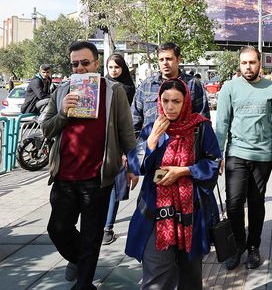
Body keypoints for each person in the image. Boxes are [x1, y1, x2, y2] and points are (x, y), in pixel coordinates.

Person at [41, 40, 138, 289]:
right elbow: (46, 128)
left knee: (91, 236)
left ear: (96, 62)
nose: (81, 68)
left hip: (97, 177)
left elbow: (126, 132)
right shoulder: (61, 90)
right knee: (57, 229)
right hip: (64, 177)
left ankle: (84, 283)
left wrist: (132, 166)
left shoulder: (114, 91)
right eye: (75, 64)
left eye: (85, 63)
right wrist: (63, 112)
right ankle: (80, 260)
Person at [125, 79, 221, 289]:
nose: (170, 107)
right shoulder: (153, 128)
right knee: (156, 278)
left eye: (176, 101)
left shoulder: (200, 127)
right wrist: (152, 140)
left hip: (191, 216)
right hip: (156, 216)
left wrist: (184, 171)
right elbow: (136, 166)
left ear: (185, 101)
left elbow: (214, 163)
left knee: (190, 277)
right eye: (165, 100)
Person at [216, 46, 272, 271]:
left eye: (252, 62)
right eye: (244, 63)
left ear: (260, 64)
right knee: (234, 203)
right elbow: (222, 124)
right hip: (236, 153)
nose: (248, 67)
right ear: (239, 64)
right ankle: (238, 245)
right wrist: (217, 155)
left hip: (263, 155)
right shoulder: (229, 88)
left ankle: (253, 246)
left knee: (257, 203)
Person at [102, 53, 137, 245]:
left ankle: (108, 227)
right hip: (100, 144)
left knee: (116, 186)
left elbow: (130, 122)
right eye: (110, 67)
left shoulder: (128, 89)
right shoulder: (99, 86)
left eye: (117, 67)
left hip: (119, 143)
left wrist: (127, 153)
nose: (113, 70)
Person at [132, 42, 198, 136]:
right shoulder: (146, 86)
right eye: (161, 59)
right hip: (153, 146)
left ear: (178, 59)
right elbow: (134, 120)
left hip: (185, 145)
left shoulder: (193, 85)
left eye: (169, 59)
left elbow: (202, 120)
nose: (165, 63)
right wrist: (142, 145)